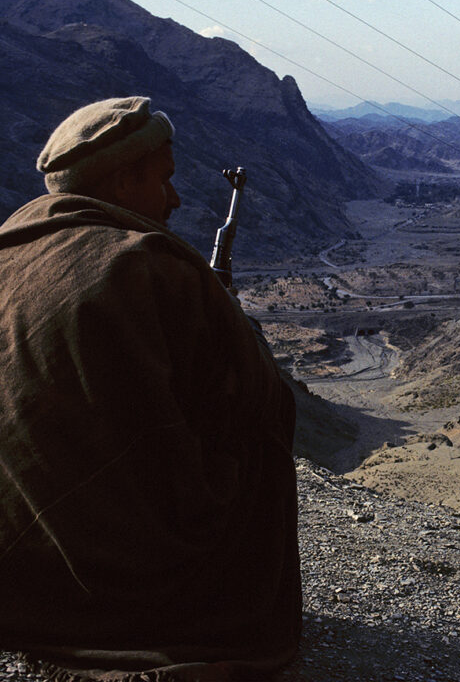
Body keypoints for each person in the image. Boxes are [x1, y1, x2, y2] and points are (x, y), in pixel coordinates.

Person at [0, 97, 301, 680]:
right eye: (163, 180)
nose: (175, 199)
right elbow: (258, 402)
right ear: (123, 177)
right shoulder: (147, 263)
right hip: (128, 575)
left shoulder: (12, 246)